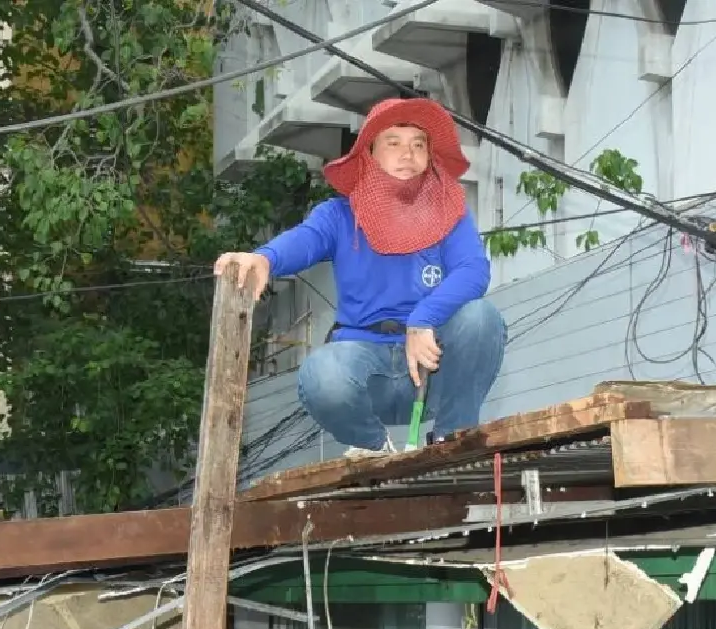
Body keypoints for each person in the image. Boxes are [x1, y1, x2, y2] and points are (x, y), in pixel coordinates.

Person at [214, 97, 506, 452]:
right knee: (321, 373)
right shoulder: (339, 215)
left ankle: (453, 439)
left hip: (433, 367)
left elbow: (474, 271)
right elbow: (306, 240)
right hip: (367, 371)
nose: (407, 154)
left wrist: (423, 319)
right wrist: (265, 259)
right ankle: (372, 448)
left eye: (418, 144)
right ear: (369, 152)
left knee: (481, 317)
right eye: (393, 143)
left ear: (430, 156)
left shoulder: (451, 214)